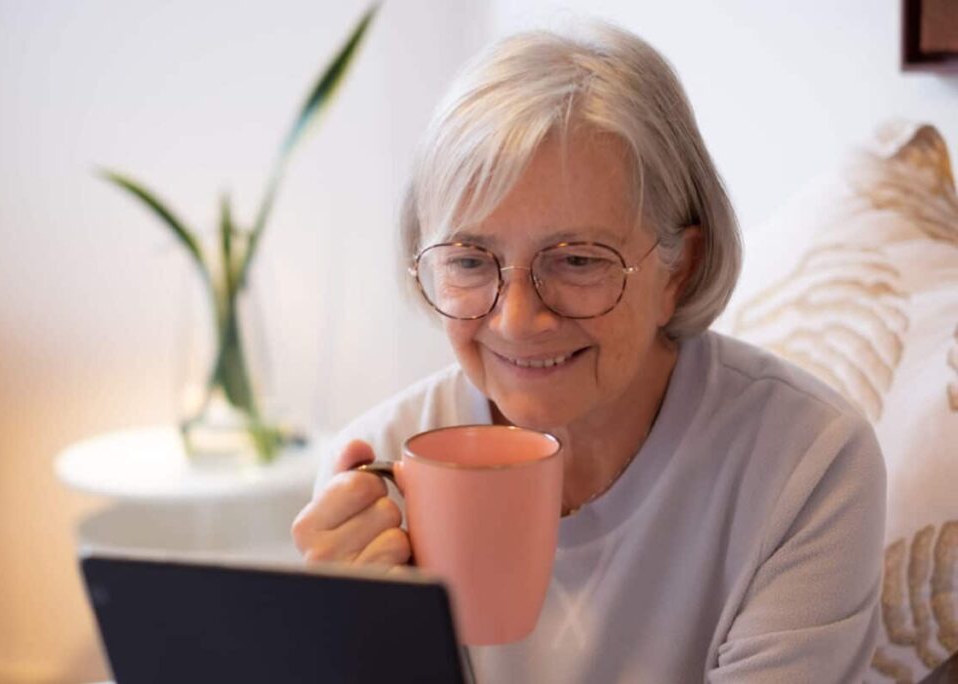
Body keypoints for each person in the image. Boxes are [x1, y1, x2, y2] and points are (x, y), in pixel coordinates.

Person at [292, 20, 885, 683]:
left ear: (678, 269)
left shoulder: (804, 464)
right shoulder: (377, 467)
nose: (517, 320)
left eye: (576, 260)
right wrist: (347, 645)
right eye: (468, 260)